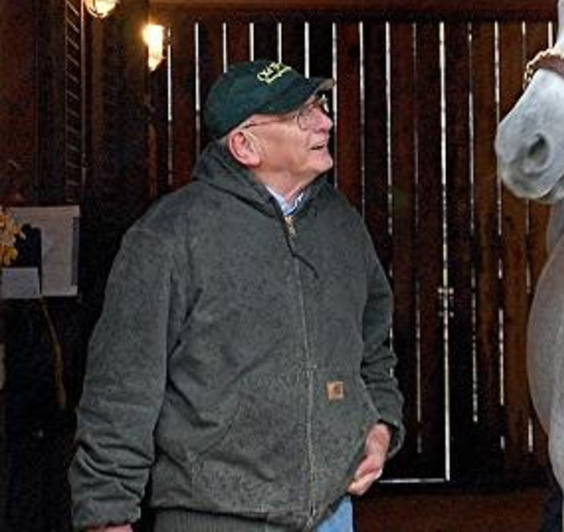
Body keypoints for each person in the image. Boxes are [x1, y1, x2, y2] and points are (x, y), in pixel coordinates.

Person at [70, 59, 404, 532]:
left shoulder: (343, 226)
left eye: (320, 106)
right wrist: (107, 516)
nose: (325, 121)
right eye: (300, 114)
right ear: (245, 145)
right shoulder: (169, 238)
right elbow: (120, 390)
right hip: (213, 519)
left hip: (332, 516)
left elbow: (374, 351)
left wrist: (380, 426)